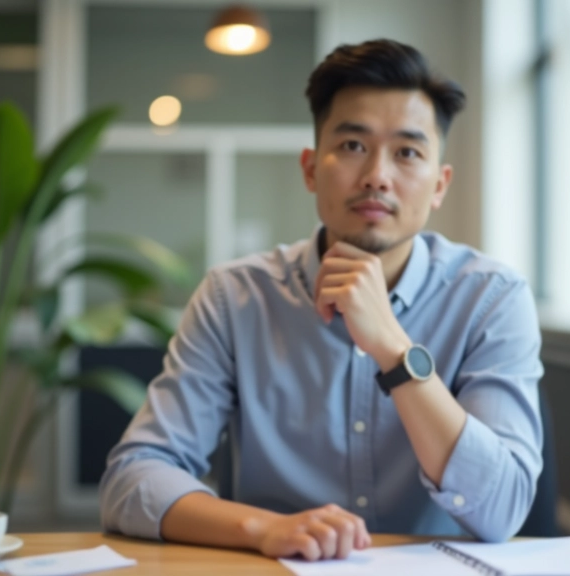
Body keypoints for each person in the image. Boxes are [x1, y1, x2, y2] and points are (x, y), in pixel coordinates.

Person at [99, 38, 544, 562]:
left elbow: (503, 509)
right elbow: (132, 479)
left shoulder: (492, 298)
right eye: (354, 145)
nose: (378, 175)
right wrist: (265, 529)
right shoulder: (234, 297)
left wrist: (394, 351)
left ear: (439, 184)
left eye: (407, 152)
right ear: (311, 168)